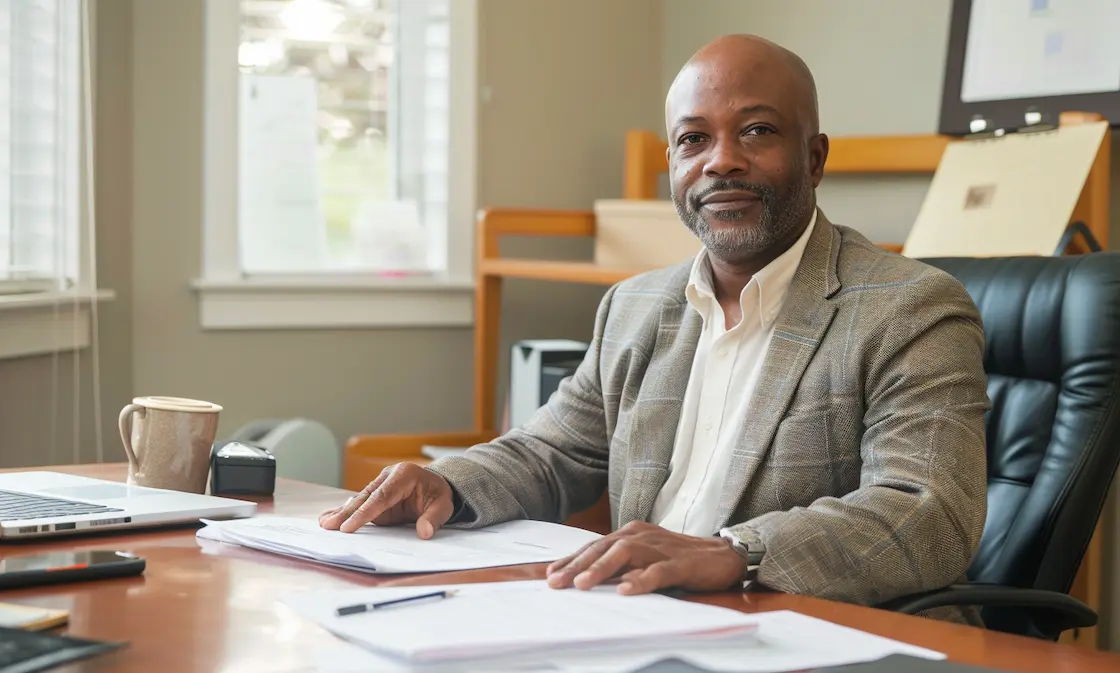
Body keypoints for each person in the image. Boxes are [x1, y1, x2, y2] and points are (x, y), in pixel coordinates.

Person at [320, 34, 989, 621]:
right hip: (643, 615)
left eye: (756, 131)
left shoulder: (910, 307)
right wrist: (446, 483)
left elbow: (928, 512)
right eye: (694, 139)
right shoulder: (635, 307)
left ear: (814, 158)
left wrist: (736, 553)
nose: (720, 161)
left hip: (814, 629)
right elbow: (551, 451)